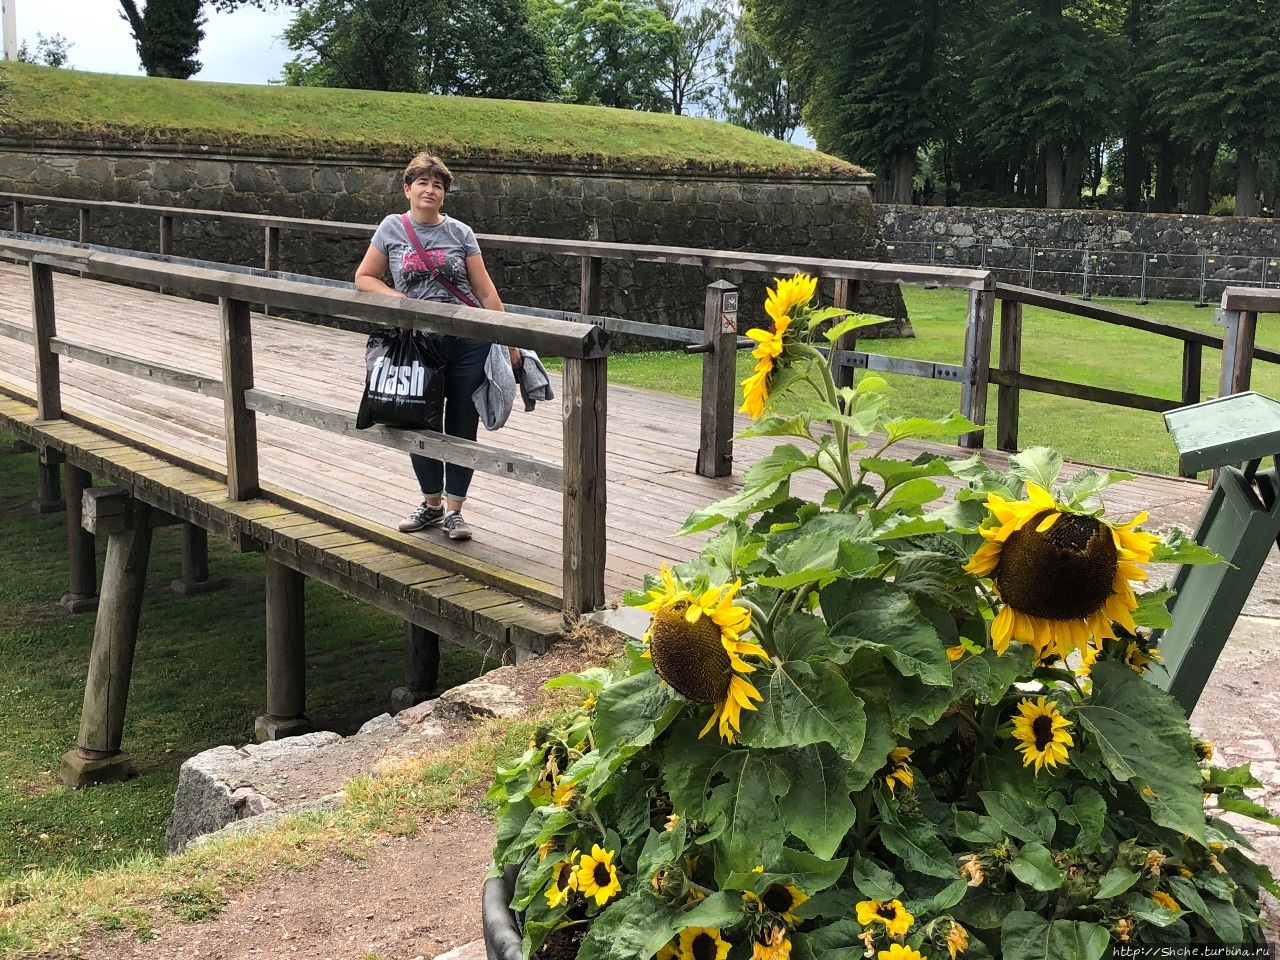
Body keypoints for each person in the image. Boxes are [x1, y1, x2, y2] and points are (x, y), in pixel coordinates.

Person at [355, 153, 520, 542]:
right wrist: (400, 301)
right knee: (420, 419)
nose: (430, 190)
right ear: (407, 189)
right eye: (423, 183)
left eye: (438, 185)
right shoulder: (392, 228)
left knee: (463, 423)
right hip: (419, 345)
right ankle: (431, 504)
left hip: (468, 343)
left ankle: (455, 511)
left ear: (444, 193)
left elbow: (485, 291)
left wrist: (510, 338)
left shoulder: (461, 232)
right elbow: (364, 277)